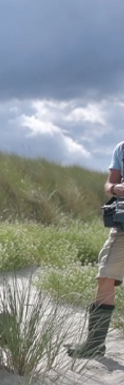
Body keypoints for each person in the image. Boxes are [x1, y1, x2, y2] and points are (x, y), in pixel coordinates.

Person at [67, 141, 124, 358]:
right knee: (105, 275)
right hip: (122, 226)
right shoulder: (121, 148)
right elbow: (109, 184)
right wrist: (114, 188)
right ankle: (95, 345)